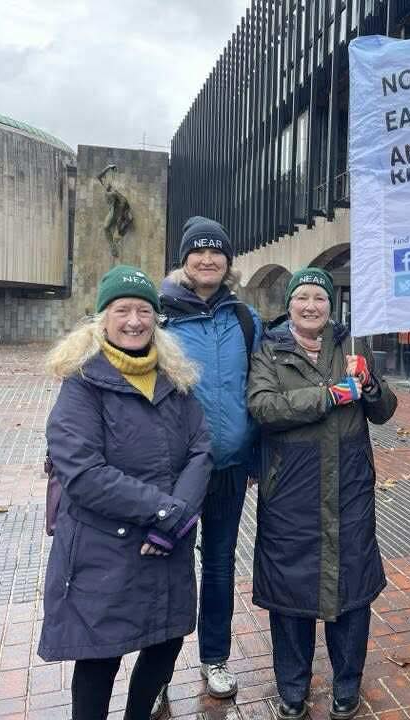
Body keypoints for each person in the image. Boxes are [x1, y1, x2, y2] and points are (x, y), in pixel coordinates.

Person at [38, 265, 212, 720]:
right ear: (103, 318)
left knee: (165, 642)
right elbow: (84, 473)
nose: (134, 321)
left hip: (166, 545)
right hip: (105, 548)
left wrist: (172, 521)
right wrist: (166, 513)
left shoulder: (174, 378)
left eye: (143, 311)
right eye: (122, 310)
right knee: (100, 655)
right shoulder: (82, 382)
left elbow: (201, 449)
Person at [247, 267, 397, 720]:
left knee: (351, 590)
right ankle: (292, 688)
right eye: (303, 297)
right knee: (290, 593)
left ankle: (347, 684)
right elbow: (263, 407)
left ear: (331, 306)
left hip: (349, 488)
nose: (311, 306)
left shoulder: (351, 345)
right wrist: (328, 395)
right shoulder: (269, 349)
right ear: (290, 304)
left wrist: (370, 385)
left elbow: (384, 411)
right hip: (290, 491)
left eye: (320, 298)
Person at [159, 216, 262, 700]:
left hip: (230, 467)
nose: (207, 259)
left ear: (228, 261)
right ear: (184, 260)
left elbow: (259, 389)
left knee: (219, 564)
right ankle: (155, 676)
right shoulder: (159, 316)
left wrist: (254, 455)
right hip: (175, 470)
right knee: (166, 567)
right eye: (197, 251)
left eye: (216, 251)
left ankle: (214, 658)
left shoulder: (245, 319)